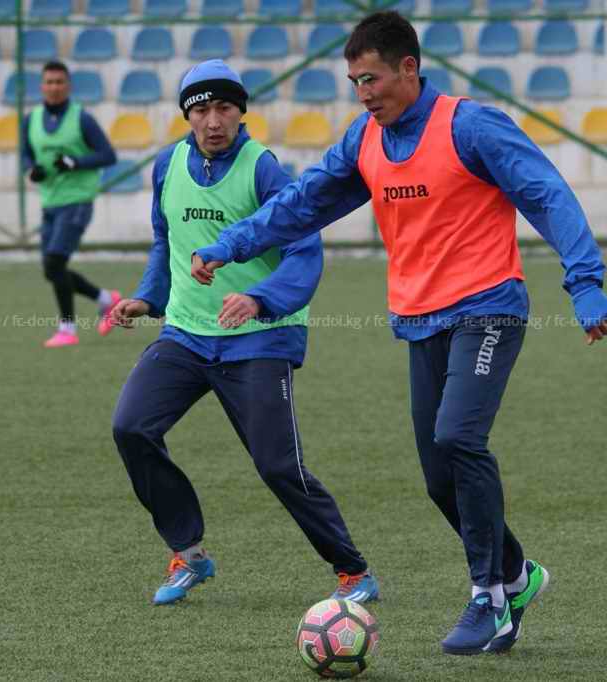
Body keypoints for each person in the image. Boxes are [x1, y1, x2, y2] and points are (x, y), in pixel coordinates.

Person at [192, 12, 607, 654]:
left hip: (489, 308)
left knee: (458, 437)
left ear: (409, 68)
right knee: (439, 478)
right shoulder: (365, 139)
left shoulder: (470, 126)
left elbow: (546, 193)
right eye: (355, 83)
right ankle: (515, 574)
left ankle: (489, 599)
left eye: (372, 79)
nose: (364, 93)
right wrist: (232, 243)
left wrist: (584, 281)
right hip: (420, 318)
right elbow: (303, 202)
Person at [109, 60, 378, 606]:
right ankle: (189, 551)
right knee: (131, 427)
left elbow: (304, 249)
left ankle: (353, 571)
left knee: (277, 465)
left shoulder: (263, 169)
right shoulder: (167, 165)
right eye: (202, 110)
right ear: (187, 115)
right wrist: (148, 297)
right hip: (186, 334)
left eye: (225, 108)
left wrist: (260, 299)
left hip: (260, 337)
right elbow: (166, 240)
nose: (213, 121)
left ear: (241, 112)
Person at [21, 60, 120, 348]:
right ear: (42, 86)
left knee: (55, 262)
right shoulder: (31, 120)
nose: (54, 87)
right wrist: (31, 170)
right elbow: (25, 154)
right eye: (49, 82)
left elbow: (108, 155)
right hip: (50, 201)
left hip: (77, 200)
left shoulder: (82, 119)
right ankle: (106, 299)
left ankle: (67, 329)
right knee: (51, 269)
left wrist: (75, 162)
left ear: (68, 86)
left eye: (59, 82)